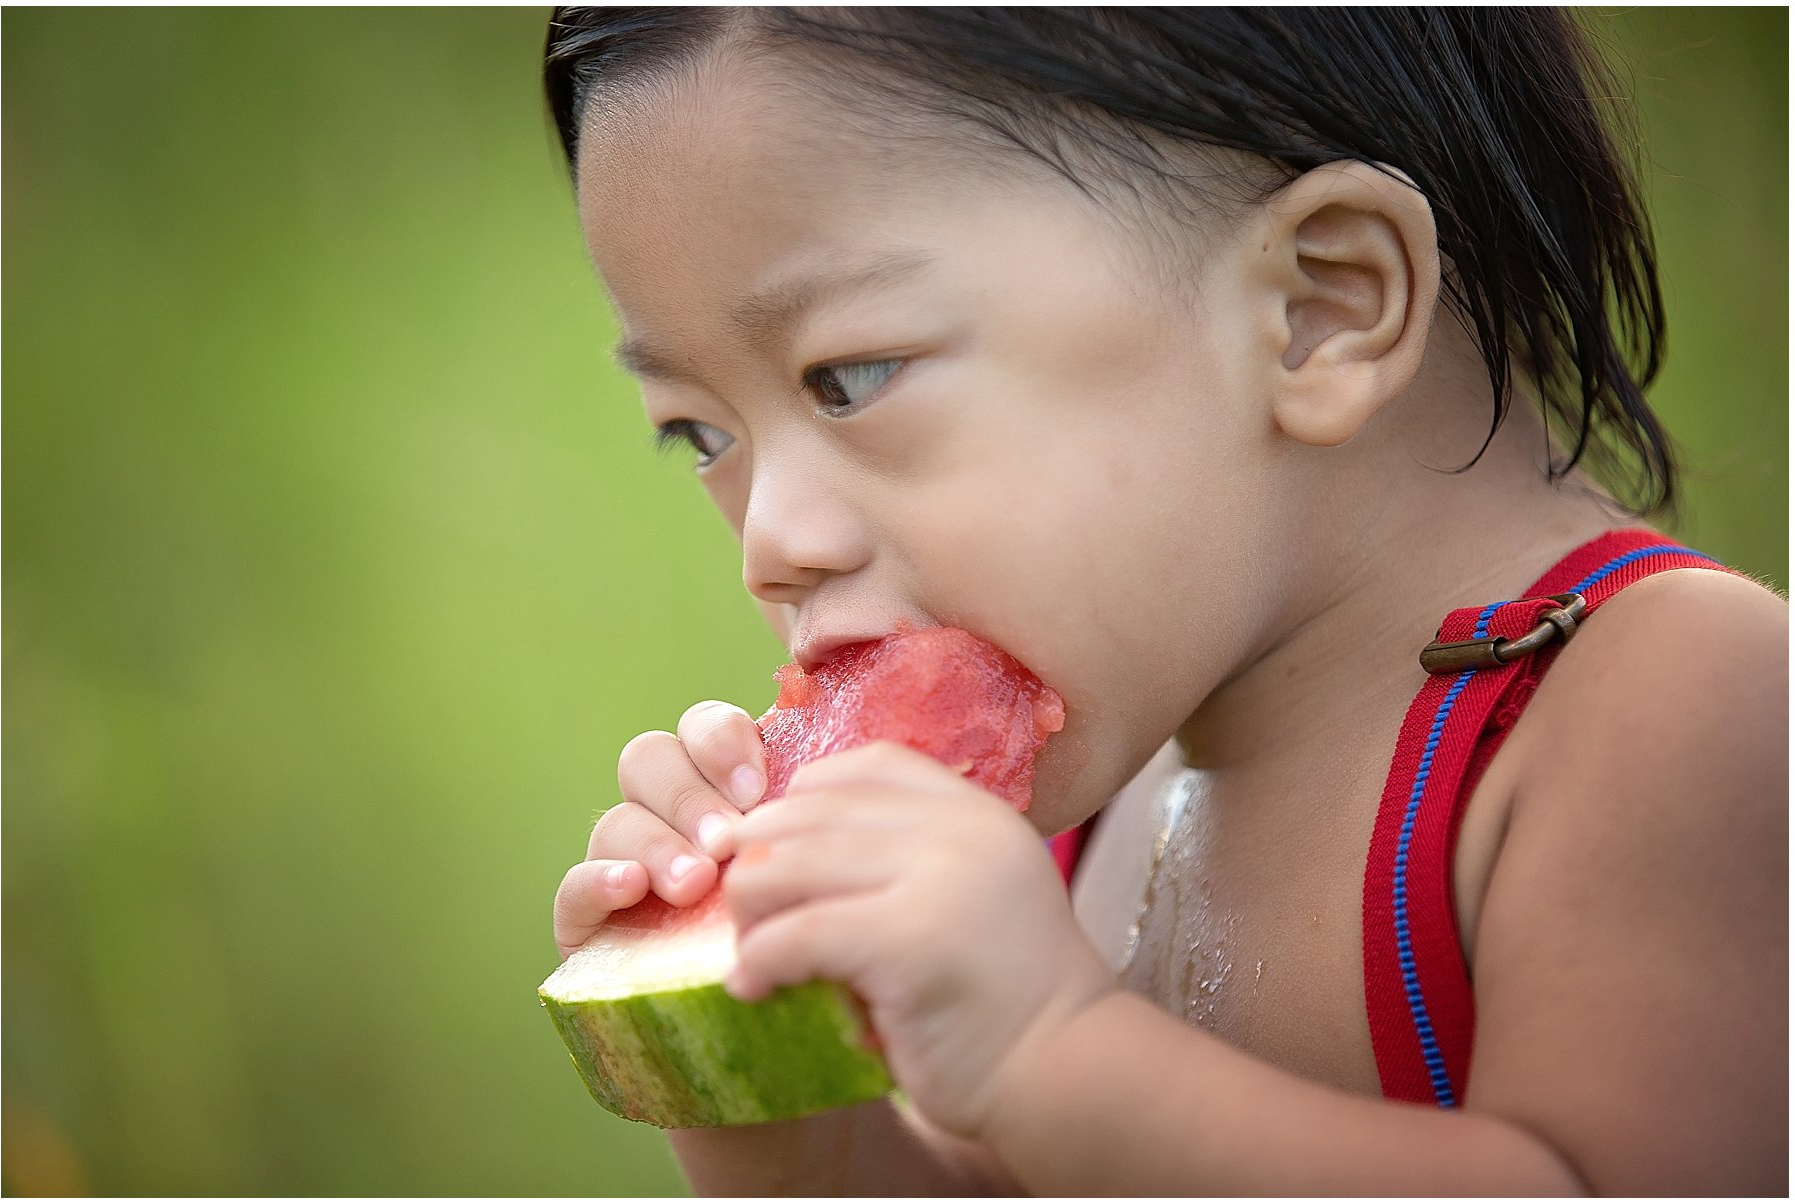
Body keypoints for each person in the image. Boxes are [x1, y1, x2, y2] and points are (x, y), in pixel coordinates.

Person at [542, 8, 1787, 1194]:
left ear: (1321, 307)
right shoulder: (1110, 776)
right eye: (699, 433)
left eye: (850, 375)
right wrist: (801, 1143)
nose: (770, 540)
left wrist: (1050, 1048)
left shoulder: (1669, 705)